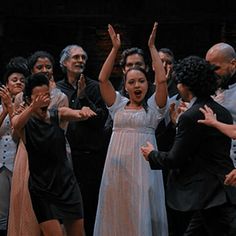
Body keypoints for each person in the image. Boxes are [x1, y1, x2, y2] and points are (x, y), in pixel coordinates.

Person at [141, 55, 236, 235]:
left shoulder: (191, 115)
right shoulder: (220, 111)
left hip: (211, 195)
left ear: (186, 85)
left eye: (179, 83)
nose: (178, 87)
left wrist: (152, 154)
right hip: (218, 192)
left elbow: (175, 158)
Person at [94, 22, 168, 236]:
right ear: (125, 86)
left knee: (141, 209)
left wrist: (152, 47)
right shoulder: (117, 106)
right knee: (117, 209)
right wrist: (115, 49)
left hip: (143, 169)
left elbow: (162, 80)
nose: (137, 85)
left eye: (142, 81)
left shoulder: (154, 109)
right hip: (117, 169)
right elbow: (102, 79)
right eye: (132, 82)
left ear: (147, 83)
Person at [11, 73, 96, 236]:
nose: (44, 100)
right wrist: (32, 107)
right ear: (29, 99)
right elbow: (16, 124)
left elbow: (74, 113)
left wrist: (83, 111)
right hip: (42, 188)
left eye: (47, 96)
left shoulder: (58, 114)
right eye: (39, 97)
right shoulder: (25, 122)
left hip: (66, 184)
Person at [7, 51, 69, 236]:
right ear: (32, 71)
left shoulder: (60, 97)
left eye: (48, 66)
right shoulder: (20, 98)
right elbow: (15, 131)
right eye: (39, 67)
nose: (45, 70)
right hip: (26, 155)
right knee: (26, 205)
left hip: (51, 156)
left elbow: (60, 131)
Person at [57, 44, 108, 236]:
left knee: (89, 205)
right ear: (64, 62)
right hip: (64, 157)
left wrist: (83, 98)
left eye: (83, 58)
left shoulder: (94, 87)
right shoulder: (58, 89)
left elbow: (101, 121)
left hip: (90, 158)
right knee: (66, 206)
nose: (80, 61)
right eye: (76, 57)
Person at [0, 61, 27, 236]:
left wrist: (12, 107)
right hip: (1, 164)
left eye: (22, 80)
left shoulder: (26, 107)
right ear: (6, 85)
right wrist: (5, 108)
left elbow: (19, 132)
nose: (18, 82)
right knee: (2, 212)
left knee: (18, 208)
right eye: (14, 80)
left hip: (19, 162)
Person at [205, 43, 236, 166]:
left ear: (233, 64)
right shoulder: (207, 89)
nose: (211, 73)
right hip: (212, 163)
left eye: (216, 68)